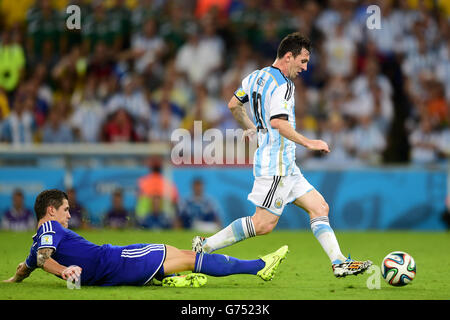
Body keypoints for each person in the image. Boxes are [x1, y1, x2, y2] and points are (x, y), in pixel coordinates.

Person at [192, 32, 372, 278]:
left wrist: (250, 127)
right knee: (263, 224)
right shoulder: (284, 86)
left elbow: (234, 104)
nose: (305, 68)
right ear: (289, 56)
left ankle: (338, 262)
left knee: (320, 207)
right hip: (275, 165)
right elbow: (278, 123)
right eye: (303, 61)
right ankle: (205, 246)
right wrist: (309, 142)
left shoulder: (255, 76)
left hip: (286, 165)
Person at [3, 189, 288, 287]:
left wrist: (14, 280)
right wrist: (63, 270)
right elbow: (42, 260)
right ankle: (260, 267)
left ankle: (173, 278)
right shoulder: (49, 230)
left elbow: (28, 265)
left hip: (116, 263)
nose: (69, 214)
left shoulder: (39, 239)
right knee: (192, 259)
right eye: (65, 210)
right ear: (50, 211)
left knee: (181, 255)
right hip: (119, 261)